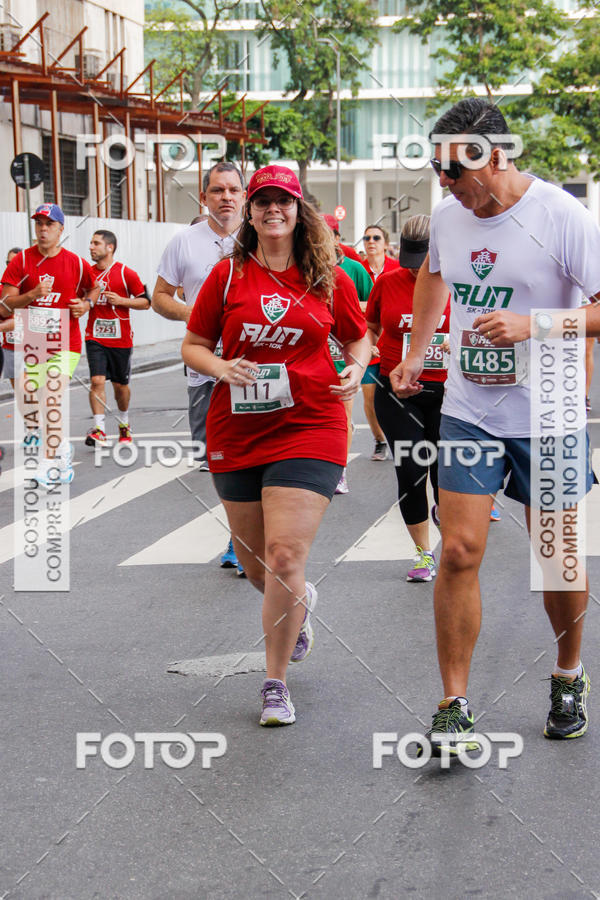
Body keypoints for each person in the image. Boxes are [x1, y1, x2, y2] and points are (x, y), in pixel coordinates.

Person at [391, 98, 600, 754]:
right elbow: (433, 277)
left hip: (551, 411)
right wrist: (417, 351)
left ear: (497, 156)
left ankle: (568, 673)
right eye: (437, 168)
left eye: (455, 170)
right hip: (469, 410)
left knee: (556, 560)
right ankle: (453, 703)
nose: (445, 182)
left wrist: (534, 325)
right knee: (457, 550)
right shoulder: (448, 219)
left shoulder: (561, 217)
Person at [182, 164, 370, 727]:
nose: (272, 210)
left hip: (310, 425)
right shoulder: (227, 276)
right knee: (259, 567)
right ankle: (299, 602)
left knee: (286, 556)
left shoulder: (328, 277)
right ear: (251, 211)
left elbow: (358, 337)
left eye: (283, 201)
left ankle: (275, 683)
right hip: (237, 430)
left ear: (298, 210)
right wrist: (221, 367)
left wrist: (356, 369)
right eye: (262, 201)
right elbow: (194, 345)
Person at [153, 161, 246, 575]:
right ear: (204, 196)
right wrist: (195, 315)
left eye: (233, 190)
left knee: (254, 453)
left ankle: (242, 538)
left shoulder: (261, 236)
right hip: (205, 370)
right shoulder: (184, 241)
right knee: (219, 460)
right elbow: (159, 296)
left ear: (244, 196)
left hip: (254, 368)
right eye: (217, 190)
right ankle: (241, 529)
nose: (226, 197)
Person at [367, 215, 450, 582]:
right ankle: (423, 553)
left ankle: (446, 518)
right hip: (397, 391)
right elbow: (370, 327)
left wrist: (458, 341)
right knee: (412, 470)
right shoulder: (387, 282)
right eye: (411, 263)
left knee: (445, 473)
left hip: (448, 393)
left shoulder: (460, 283)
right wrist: (367, 349)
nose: (417, 272)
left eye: (424, 262)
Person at [0, 205, 99, 486]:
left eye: (49, 224)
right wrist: (31, 294)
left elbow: (94, 287)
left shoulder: (76, 263)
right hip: (34, 344)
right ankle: (62, 448)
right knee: (30, 400)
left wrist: (86, 304)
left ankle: (46, 464)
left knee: (51, 398)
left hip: (66, 343)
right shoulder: (21, 261)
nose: (43, 229)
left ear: (60, 229)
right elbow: (5, 306)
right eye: (39, 223)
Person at [323, 214, 373, 493]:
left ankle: (340, 469)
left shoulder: (351, 270)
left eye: (325, 233)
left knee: (343, 414)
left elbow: (373, 305)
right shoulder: (296, 268)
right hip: (315, 358)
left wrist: (351, 309)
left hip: (343, 354)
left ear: (336, 238)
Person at [85, 230, 149, 446]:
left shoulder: (126, 273)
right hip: (94, 336)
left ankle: (124, 423)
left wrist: (122, 301)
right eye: (91, 243)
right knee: (96, 381)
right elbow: (78, 296)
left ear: (109, 247)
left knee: (120, 386)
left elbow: (145, 302)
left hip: (120, 339)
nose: (91, 247)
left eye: (96, 243)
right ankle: (99, 429)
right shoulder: (87, 273)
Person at [362, 224, 398, 461]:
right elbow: (347, 304)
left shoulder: (398, 269)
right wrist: (368, 305)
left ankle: (400, 439)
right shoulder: (359, 269)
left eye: (376, 237)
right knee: (369, 397)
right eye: (366, 238)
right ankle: (379, 440)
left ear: (385, 243)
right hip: (367, 342)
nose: (371, 242)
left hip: (394, 343)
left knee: (397, 397)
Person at [0, 248, 22, 389]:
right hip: (10, 347)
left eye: (14, 263)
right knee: (20, 393)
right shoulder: (2, 289)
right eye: (8, 263)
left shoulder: (32, 287)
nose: (10, 267)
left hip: (32, 347)